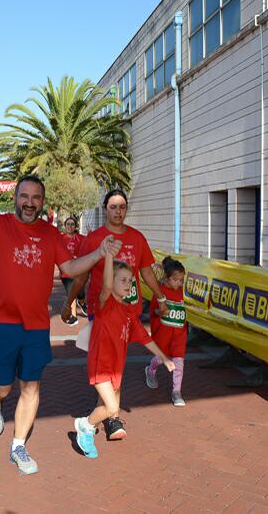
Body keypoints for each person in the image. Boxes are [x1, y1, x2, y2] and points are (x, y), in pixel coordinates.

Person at [0, 175, 120, 475]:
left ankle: (18, 446)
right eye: (24, 196)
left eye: (36, 197)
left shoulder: (50, 234)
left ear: (42, 201)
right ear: (16, 198)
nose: (29, 203)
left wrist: (99, 254)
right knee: (2, 389)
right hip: (0, 325)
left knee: (31, 386)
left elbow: (69, 267)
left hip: (37, 328)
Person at [61, 188, 169, 440]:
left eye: (122, 207)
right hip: (103, 311)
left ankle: (109, 413)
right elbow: (82, 275)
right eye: (113, 207)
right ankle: (111, 416)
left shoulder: (137, 238)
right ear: (105, 209)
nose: (118, 211)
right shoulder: (94, 239)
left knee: (116, 364)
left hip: (129, 313)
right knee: (107, 364)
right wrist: (68, 303)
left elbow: (147, 272)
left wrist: (160, 296)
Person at [74, 253, 174, 458]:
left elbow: (145, 338)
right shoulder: (105, 304)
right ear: (111, 281)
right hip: (100, 364)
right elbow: (107, 287)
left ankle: (88, 429)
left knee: (105, 404)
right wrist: (109, 257)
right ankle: (84, 426)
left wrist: (164, 358)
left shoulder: (129, 313)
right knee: (112, 408)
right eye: (123, 280)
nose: (128, 284)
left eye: (130, 281)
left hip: (116, 367)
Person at [144, 256, 188, 406]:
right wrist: (159, 311)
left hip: (179, 334)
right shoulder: (160, 292)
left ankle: (176, 392)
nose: (179, 283)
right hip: (163, 333)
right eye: (176, 280)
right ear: (167, 278)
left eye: (181, 280)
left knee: (179, 362)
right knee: (160, 358)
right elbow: (153, 312)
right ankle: (150, 370)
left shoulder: (182, 291)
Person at [60, 217, 86, 325]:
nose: (70, 226)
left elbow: (92, 241)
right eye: (68, 224)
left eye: (72, 224)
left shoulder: (80, 238)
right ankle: (73, 316)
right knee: (71, 292)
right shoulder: (60, 239)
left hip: (78, 271)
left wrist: (92, 234)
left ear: (75, 226)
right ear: (65, 226)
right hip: (66, 272)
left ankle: (82, 302)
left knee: (80, 293)